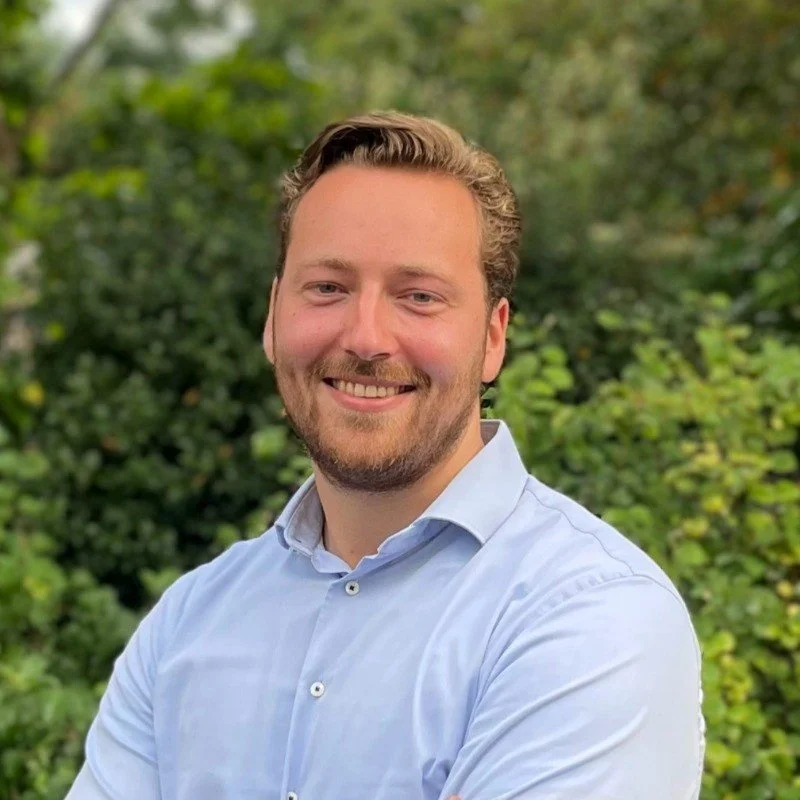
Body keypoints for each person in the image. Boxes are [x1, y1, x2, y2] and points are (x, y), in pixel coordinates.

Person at [65, 111, 705, 800]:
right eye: (328, 288)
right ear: (274, 316)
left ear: (493, 338)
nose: (366, 337)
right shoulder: (187, 624)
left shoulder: (592, 617)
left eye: (419, 296)